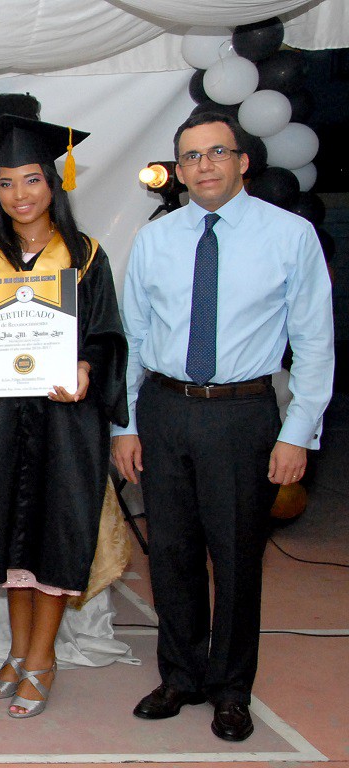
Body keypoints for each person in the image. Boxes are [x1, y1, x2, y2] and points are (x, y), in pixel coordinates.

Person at [112, 112, 333, 742]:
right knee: (171, 553)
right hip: (165, 409)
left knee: (236, 558)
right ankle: (181, 675)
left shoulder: (289, 235)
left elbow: (314, 343)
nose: (203, 165)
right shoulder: (156, 239)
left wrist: (297, 433)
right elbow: (133, 337)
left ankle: (232, 689)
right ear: (178, 171)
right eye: (190, 157)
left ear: (243, 161)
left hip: (243, 414)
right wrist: (125, 424)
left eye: (216, 152)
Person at [0, 116, 127, 718]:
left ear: (53, 184)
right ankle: (18, 648)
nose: (20, 194)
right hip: (1, 420)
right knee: (8, 532)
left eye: (32, 179)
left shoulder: (84, 256)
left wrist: (87, 365)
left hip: (64, 420)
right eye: (6, 183)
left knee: (54, 530)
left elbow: (106, 334)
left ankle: (43, 656)